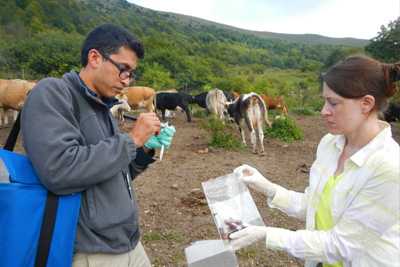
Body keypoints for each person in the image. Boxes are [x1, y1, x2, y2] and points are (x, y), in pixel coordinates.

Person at [21, 24, 174, 267]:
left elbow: (113, 172)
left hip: (129, 243)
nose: (127, 81)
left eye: (132, 74)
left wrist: (144, 149)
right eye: (123, 70)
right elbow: (59, 170)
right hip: (92, 252)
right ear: (94, 58)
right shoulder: (53, 93)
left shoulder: (102, 106)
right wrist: (131, 139)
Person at [230, 55, 400, 267]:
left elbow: (342, 245)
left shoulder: (389, 167)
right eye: (324, 100)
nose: (323, 111)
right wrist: (266, 187)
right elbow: (314, 206)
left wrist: (267, 234)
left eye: (333, 103)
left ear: (366, 103)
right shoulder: (330, 145)